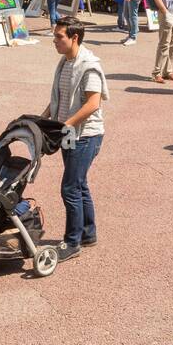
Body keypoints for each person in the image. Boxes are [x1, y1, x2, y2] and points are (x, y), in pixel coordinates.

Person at [43, 16, 109, 261]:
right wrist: (43, 118)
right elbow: (59, 98)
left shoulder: (89, 66)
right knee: (79, 183)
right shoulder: (65, 62)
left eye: (59, 36)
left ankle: (72, 242)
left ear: (74, 38)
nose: (54, 41)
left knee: (70, 186)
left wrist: (65, 125)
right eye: (55, 36)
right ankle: (88, 233)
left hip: (86, 135)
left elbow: (93, 104)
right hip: (69, 133)